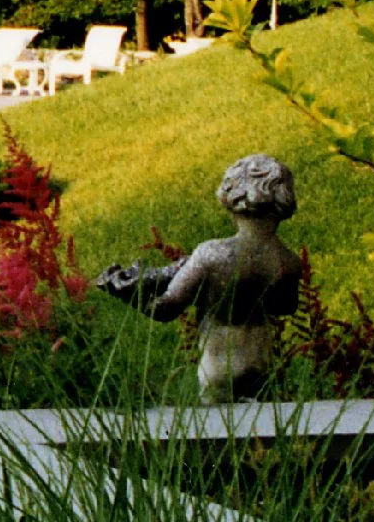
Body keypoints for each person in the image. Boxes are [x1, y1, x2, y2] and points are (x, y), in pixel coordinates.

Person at [96, 153, 304, 402]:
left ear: (233, 199)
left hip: (219, 366)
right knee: (262, 432)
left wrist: (130, 292)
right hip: (262, 363)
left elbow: (166, 308)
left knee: (221, 434)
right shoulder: (289, 261)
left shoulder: (212, 254)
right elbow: (286, 307)